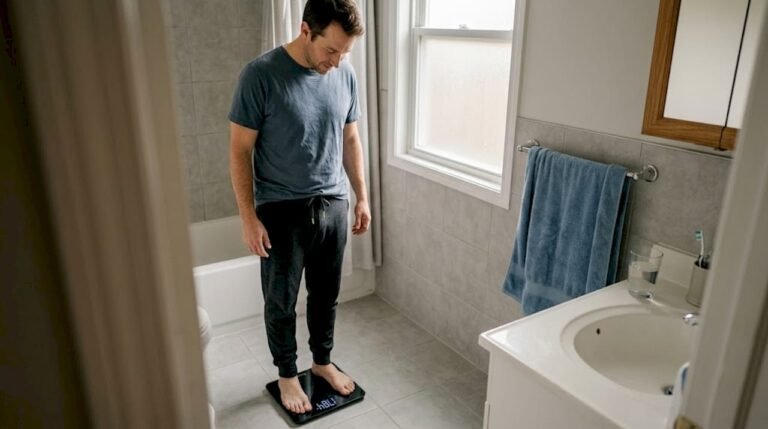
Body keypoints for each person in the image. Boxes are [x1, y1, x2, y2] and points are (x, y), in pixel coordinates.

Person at [228, 0, 369, 415]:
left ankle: (322, 363)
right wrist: (248, 217)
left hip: (333, 203)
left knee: (326, 295)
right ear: (306, 30)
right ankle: (288, 374)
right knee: (281, 301)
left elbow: (351, 139)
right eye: (331, 50)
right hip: (280, 209)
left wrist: (362, 196)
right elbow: (240, 150)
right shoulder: (260, 75)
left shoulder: (345, 72)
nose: (337, 60)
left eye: (345, 52)